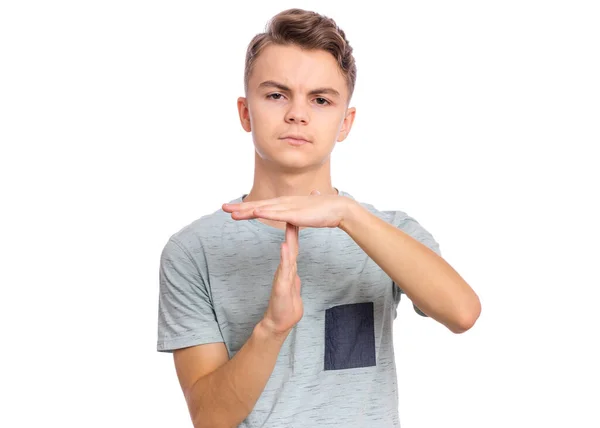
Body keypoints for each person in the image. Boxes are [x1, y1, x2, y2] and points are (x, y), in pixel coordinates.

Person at [157, 8, 481, 427]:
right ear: (244, 112)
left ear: (345, 122)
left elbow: (463, 313)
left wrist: (346, 214)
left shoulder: (389, 232)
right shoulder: (192, 251)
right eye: (276, 95)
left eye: (321, 99)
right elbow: (209, 418)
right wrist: (271, 329)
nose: (297, 114)